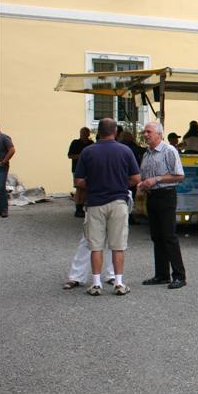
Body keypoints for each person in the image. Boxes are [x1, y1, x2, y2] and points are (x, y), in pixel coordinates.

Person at [74, 118, 140, 296]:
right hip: (118, 201)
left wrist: (95, 184)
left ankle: (96, 284)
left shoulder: (88, 152)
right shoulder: (125, 150)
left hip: (95, 202)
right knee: (118, 245)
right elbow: (136, 178)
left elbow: (78, 181)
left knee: (95, 245)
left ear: (98, 132)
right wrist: (119, 183)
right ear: (115, 132)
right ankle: (118, 282)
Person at [138, 121, 187, 289]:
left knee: (169, 236)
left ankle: (179, 275)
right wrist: (142, 184)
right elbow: (145, 177)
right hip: (152, 196)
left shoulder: (169, 150)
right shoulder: (147, 154)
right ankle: (162, 274)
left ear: (159, 134)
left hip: (166, 195)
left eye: (149, 132)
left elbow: (179, 175)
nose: (145, 134)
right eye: (145, 132)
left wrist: (157, 179)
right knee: (156, 236)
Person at [68, 127, 93, 217]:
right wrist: (81, 156)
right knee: (79, 188)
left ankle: (84, 206)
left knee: (87, 188)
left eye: (86, 133)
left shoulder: (91, 143)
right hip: (77, 169)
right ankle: (78, 209)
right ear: (80, 134)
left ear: (89, 134)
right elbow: (70, 156)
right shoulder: (75, 143)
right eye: (83, 133)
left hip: (89, 170)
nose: (85, 135)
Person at [0, 120, 16, 218]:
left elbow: (12, 150)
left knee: (0, 187)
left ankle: (4, 210)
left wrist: (4, 161)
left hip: (1, 167)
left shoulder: (4, 138)